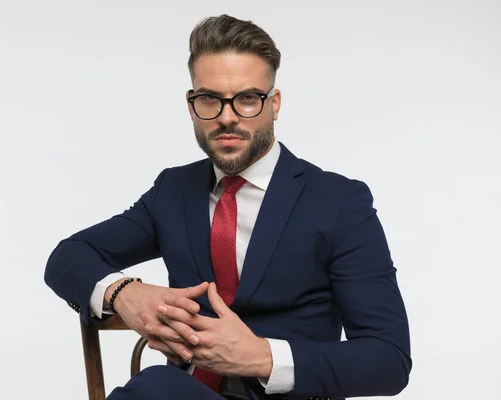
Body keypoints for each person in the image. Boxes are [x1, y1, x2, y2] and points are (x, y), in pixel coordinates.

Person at [44, 14, 411, 400]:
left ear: (275, 103)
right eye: (209, 99)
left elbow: (388, 360)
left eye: (248, 99)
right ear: (191, 105)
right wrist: (126, 293)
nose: (227, 117)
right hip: (181, 393)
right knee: (159, 386)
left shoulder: (338, 202)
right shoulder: (173, 190)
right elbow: (68, 257)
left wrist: (262, 357)